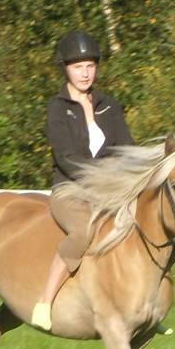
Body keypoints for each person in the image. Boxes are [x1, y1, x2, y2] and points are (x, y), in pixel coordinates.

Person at [31, 31, 134, 331]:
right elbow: (67, 157)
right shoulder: (57, 109)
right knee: (83, 230)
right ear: (65, 69)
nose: (85, 72)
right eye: (78, 67)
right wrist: (103, 179)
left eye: (90, 66)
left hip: (110, 192)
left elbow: (126, 148)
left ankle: (141, 307)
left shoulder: (109, 106)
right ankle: (45, 301)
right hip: (70, 190)